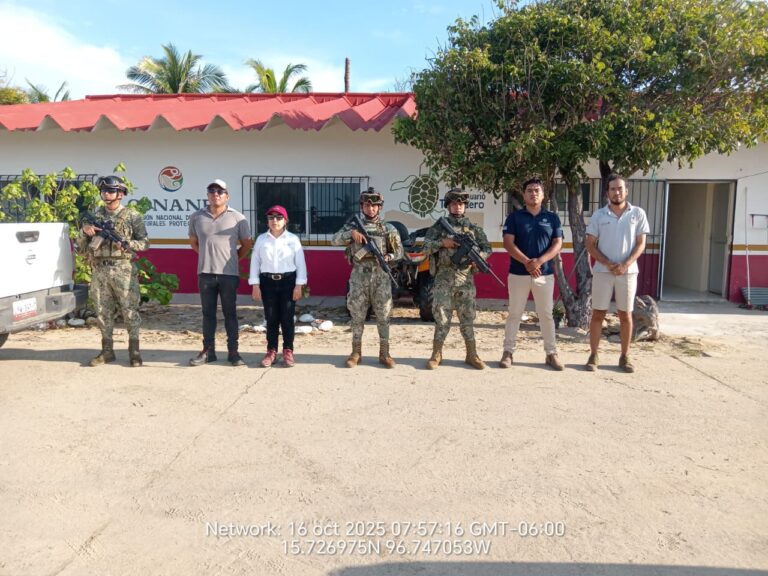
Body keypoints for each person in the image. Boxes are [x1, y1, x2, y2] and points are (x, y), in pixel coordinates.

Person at [77, 175, 149, 367]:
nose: (106, 194)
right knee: (102, 311)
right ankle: (107, 351)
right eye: (103, 191)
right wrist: (85, 233)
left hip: (123, 269)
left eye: (110, 191)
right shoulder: (95, 216)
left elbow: (144, 243)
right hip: (100, 269)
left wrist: (126, 243)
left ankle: (134, 352)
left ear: (121, 194)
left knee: (129, 311)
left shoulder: (132, 216)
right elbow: (81, 248)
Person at [332, 187, 403, 368]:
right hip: (359, 278)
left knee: (384, 316)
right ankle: (356, 352)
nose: (370, 209)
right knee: (357, 316)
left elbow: (400, 252)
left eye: (374, 206)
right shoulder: (353, 226)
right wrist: (351, 234)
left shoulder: (389, 228)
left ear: (379, 208)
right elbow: (335, 240)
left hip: (381, 278)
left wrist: (388, 257)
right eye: (367, 206)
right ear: (362, 207)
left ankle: (384, 353)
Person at [585, 174, 650, 373]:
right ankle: (594, 355)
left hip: (628, 273)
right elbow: (590, 244)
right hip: (603, 272)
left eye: (620, 188)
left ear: (626, 191)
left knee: (625, 315)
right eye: (612, 189)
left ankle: (625, 356)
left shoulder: (637, 213)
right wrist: (608, 263)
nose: (617, 192)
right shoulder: (599, 215)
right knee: (598, 314)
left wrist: (625, 264)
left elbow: (641, 244)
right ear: (607, 193)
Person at [422, 188, 491, 370]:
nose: (458, 207)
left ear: (465, 206)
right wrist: (442, 243)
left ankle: (472, 354)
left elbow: (487, 248)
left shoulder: (474, 229)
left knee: (467, 319)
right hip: (443, 279)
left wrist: (478, 258)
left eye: (461, 204)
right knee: (442, 319)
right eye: (454, 203)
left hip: (465, 280)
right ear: (448, 206)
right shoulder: (438, 228)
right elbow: (425, 247)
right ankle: (436, 354)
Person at [500, 177, 565, 370]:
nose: (533, 193)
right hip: (518, 273)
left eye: (537, 190)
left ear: (543, 195)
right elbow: (508, 243)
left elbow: (557, 243)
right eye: (529, 190)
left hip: (544, 274)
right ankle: (508, 352)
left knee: (546, 314)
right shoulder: (514, 217)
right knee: (514, 313)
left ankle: (551, 353)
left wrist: (539, 261)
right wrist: (527, 262)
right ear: (524, 194)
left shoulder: (552, 218)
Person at [188, 179, 253, 367]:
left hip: (229, 275)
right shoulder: (196, 217)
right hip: (205, 273)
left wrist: (232, 259)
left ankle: (233, 352)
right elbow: (194, 243)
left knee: (230, 314)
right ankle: (208, 352)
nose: (215, 194)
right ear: (207, 195)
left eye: (220, 191)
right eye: (212, 191)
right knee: (208, 314)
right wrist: (208, 256)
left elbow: (247, 244)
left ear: (227, 196)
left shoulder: (238, 218)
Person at [248, 205, 307, 368]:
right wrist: (255, 285)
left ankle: (288, 350)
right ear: (267, 221)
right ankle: (271, 350)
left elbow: (300, 264)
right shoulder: (261, 239)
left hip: (288, 281)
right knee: (271, 317)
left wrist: (299, 285)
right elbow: (255, 263)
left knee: (287, 318)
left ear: (285, 221)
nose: (275, 221)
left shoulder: (293, 239)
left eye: (279, 218)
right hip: (267, 282)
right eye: (271, 218)